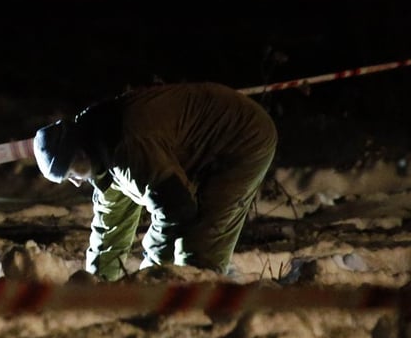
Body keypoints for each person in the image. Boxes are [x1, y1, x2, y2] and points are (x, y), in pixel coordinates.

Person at [32, 82, 277, 281]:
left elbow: (176, 209)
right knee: (180, 246)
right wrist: (97, 288)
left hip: (242, 136)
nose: (75, 183)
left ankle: (195, 322)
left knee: (197, 250)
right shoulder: (101, 146)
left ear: (79, 154)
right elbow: (111, 227)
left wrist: (150, 275)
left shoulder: (127, 148)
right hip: (203, 143)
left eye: (72, 174)